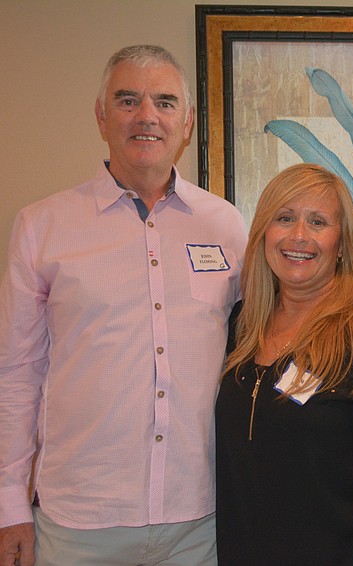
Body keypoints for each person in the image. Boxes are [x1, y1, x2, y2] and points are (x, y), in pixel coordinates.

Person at [0, 45, 246, 566]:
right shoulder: (41, 227)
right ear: (101, 116)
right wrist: (8, 506)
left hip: (199, 520)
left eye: (164, 101)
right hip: (78, 523)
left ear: (188, 122)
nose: (146, 116)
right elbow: (16, 376)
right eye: (128, 100)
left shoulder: (228, 227)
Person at [215, 163, 353, 566]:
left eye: (317, 222)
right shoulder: (240, 327)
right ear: (264, 233)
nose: (299, 235)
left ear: (342, 243)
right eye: (284, 218)